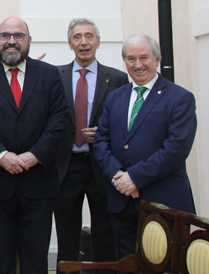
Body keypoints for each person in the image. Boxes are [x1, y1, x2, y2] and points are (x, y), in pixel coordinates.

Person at [0, 16, 66, 274]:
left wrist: (34, 155)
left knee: (35, 262)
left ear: (29, 40)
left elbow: (59, 122)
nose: (11, 41)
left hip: (39, 184)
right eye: (5, 35)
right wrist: (1, 155)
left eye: (18, 36)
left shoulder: (49, 75)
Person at [94, 34, 197, 257]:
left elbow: (176, 149)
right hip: (121, 202)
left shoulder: (180, 98)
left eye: (144, 58)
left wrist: (135, 177)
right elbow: (101, 142)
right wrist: (118, 176)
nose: (138, 65)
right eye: (131, 59)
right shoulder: (114, 98)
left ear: (157, 60)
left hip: (164, 203)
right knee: (127, 265)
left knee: (167, 265)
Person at [54, 19, 128, 270]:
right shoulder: (55, 76)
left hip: (102, 167)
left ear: (98, 41)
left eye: (89, 36)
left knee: (106, 235)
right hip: (66, 168)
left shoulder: (117, 78)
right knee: (67, 236)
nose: (83, 42)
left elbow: (126, 124)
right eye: (77, 37)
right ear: (70, 44)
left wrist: (105, 133)